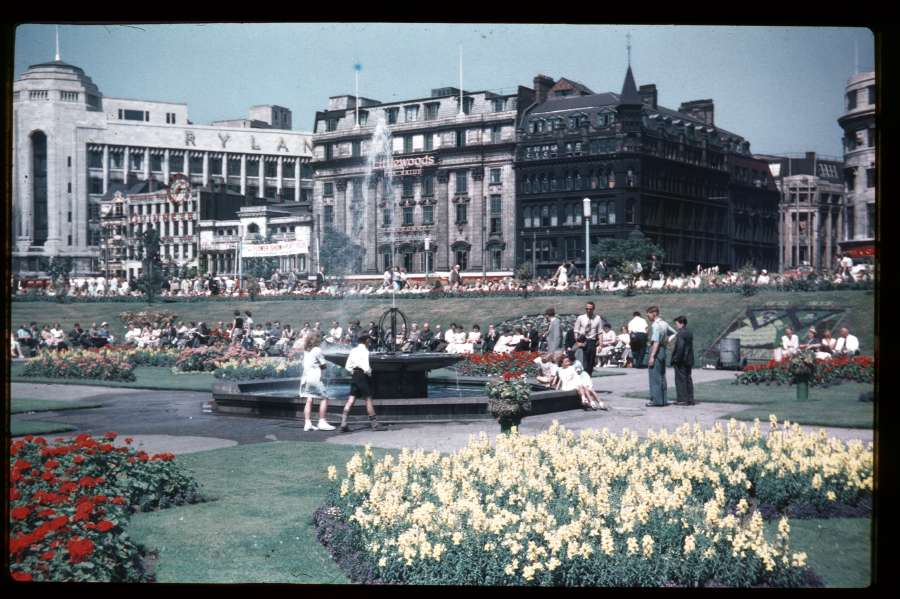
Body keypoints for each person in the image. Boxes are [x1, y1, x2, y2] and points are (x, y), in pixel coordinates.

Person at [340, 333, 380, 432]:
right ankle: (375, 425)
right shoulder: (365, 351)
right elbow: (366, 366)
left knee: (351, 399)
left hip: (355, 376)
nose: (370, 342)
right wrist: (370, 373)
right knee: (368, 399)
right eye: (369, 340)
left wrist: (353, 372)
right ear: (366, 340)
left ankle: (343, 423)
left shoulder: (353, 350)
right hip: (363, 376)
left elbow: (347, 366)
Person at [300, 333, 336, 431]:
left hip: (306, 378)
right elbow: (323, 365)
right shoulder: (317, 350)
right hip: (315, 377)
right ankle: (322, 422)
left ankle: (307, 423)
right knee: (324, 398)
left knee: (309, 399)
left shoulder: (306, 350)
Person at [645, 306, 676, 407]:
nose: (648, 316)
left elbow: (656, 342)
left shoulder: (656, 325)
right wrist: (666, 341)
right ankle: (663, 399)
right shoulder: (664, 323)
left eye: (648, 314)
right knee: (662, 375)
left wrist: (652, 356)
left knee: (654, 377)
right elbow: (674, 333)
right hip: (663, 350)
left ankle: (655, 400)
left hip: (656, 350)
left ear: (653, 313)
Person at [573, 301, 603, 376]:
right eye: (587, 309)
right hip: (583, 340)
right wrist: (577, 341)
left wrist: (600, 345)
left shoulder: (598, 318)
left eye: (590, 309)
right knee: (583, 361)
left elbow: (600, 332)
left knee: (591, 362)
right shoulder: (581, 318)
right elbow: (576, 330)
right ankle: (582, 377)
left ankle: (588, 377)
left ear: (593, 309)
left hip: (592, 342)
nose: (588, 310)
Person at [671, 316, 695, 406]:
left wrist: (676, 358)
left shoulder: (680, 333)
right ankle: (690, 399)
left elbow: (680, 347)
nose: (676, 325)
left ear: (681, 323)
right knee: (688, 378)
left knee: (680, 380)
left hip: (681, 360)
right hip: (689, 359)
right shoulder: (689, 332)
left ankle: (682, 399)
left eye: (676, 323)